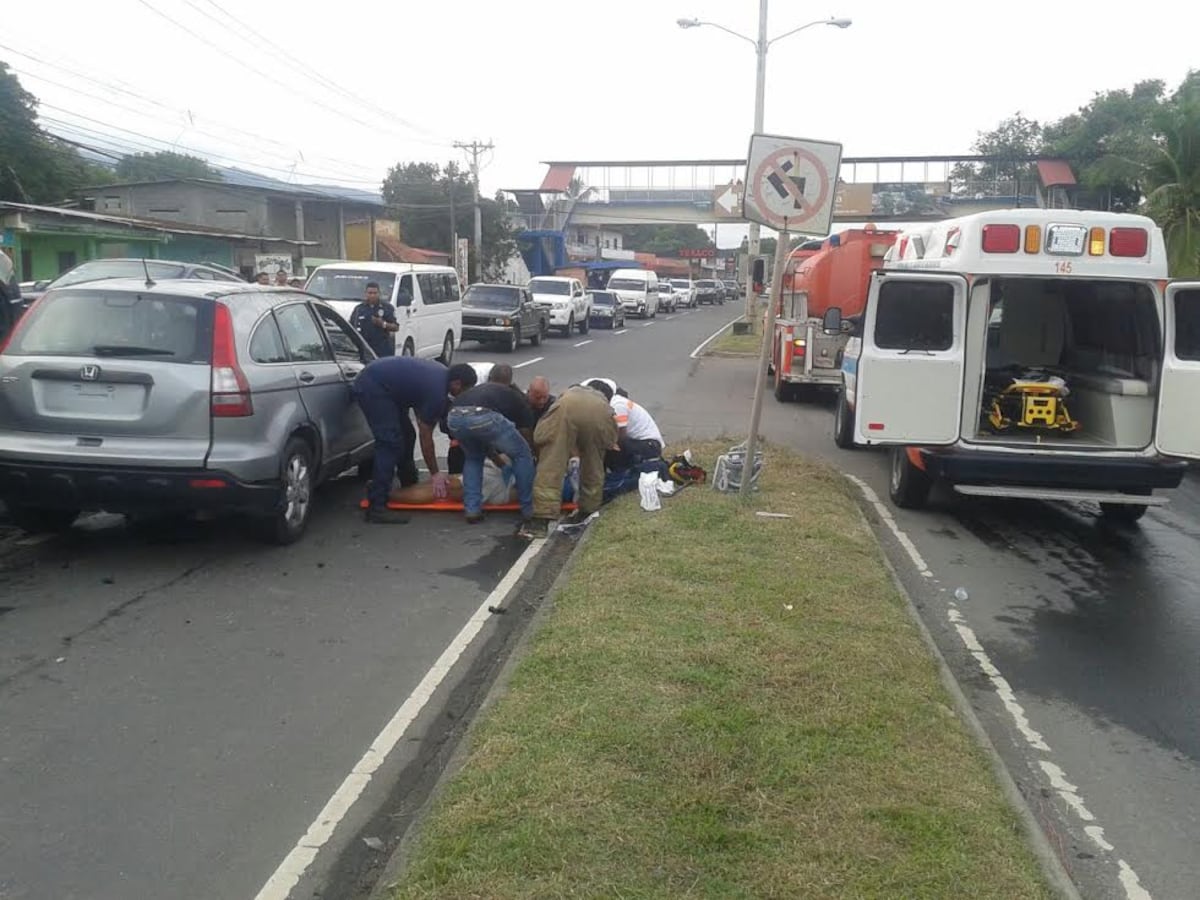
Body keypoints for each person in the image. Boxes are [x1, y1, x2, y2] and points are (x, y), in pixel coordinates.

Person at [352, 358, 478, 524]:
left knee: (407, 434)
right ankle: (377, 506)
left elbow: (426, 410)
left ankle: (407, 481)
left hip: (384, 385)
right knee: (390, 443)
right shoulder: (437, 392)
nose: (464, 395)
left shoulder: (441, 377)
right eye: (465, 390)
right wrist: (435, 474)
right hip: (374, 387)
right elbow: (425, 436)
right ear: (456, 384)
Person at [445, 376, 537, 531]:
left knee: (473, 458)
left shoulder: (486, 391)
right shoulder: (519, 400)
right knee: (522, 454)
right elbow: (525, 433)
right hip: (481, 415)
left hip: (454, 417)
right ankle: (528, 509)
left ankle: (472, 510)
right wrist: (532, 455)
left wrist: (499, 463)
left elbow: (485, 441)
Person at [530, 381, 617, 530]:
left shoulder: (569, 394)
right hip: (599, 414)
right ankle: (588, 511)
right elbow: (609, 442)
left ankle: (542, 519)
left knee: (552, 464)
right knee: (593, 464)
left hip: (566, 409)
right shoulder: (602, 400)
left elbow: (540, 437)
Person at [585, 380, 665, 469]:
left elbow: (620, 435)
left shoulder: (618, 406)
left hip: (649, 445)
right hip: (637, 441)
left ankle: (616, 476)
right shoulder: (611, 403)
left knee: (612, 448)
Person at [349, 281, 399, 358]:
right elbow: (351, 326)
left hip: (382, 349)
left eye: (375, 293)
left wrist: (383, 324)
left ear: (379, 293)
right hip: (364, 348)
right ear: (366, 293)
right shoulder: (359, 309)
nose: (372, 295)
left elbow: (395, 327)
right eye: (370, 293)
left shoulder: (387, 308)